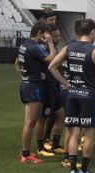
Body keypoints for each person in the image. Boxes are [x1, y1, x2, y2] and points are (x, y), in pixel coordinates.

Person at [48, 19, 95, 173]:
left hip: (72, 94)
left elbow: (51, 67)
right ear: (92, 32)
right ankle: (83, 170)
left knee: (73, 132)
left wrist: (66, 83)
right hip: (89, 96)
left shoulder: (68, 47)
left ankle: (72, 170)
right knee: (89, 134)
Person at [14, 22, 56, 163]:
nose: (48, 36)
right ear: (39, 32)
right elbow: (51, 59)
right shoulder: (34, 47)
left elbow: (17, 64)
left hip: (26, 85)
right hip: (33, 87)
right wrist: (50, 43)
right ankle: (26, 155)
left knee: (30, 122)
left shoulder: (24, 44)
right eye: (46, 33)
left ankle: (25, 152)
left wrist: (28, 76)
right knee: (30, 122)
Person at [35, 24, 63, 156]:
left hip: (55, 87)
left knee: (61, 116)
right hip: (47, 88)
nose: (58, 37)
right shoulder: (43, 48)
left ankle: (56, 145)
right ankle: (40, 148)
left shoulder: (54, 47)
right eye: (56, 35)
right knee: (42, 119)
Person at [60, 19, 82, 169]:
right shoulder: (80, 47)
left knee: (72, 126)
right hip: (75, 91)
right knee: (73, 127)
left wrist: (64, 82)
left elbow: (54, 65)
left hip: (68, 90)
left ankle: (67, 156)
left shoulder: (68, 46)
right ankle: (67, 158)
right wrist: (67, 83)